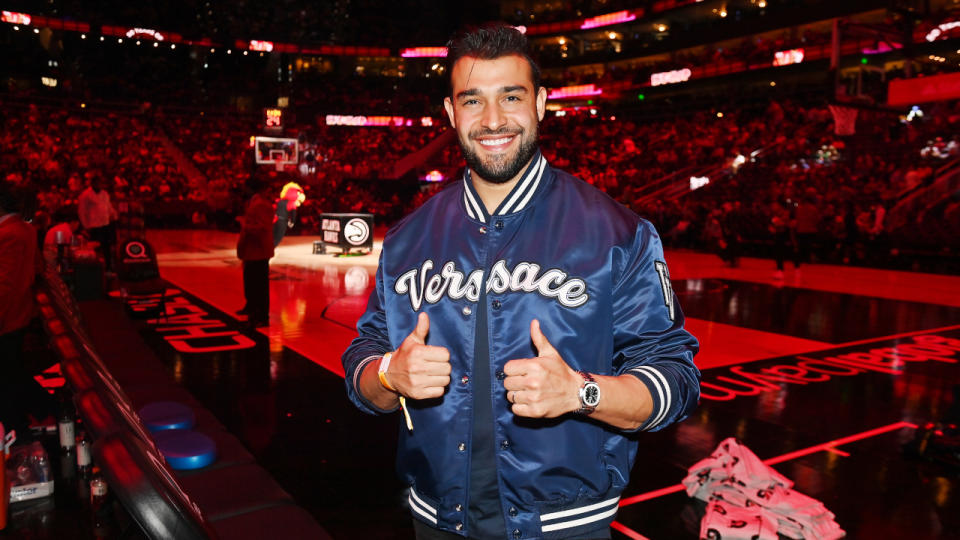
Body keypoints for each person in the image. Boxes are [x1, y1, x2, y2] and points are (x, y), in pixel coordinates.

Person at [341, 24, 700, 540]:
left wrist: (584, 392)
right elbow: (363, 363)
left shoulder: (619, 233)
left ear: (541, 103)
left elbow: (677, 380)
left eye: (510, 96)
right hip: (435, 521)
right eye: (472, 100)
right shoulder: (405, 240)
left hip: (564, 527)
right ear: (450, 114)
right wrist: (387, 374)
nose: (492, 121)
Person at [0, 183, 49, 437]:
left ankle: (18, 431)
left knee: (7, 378)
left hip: (8, 317)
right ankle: (43, 409)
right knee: (11, 371)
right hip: (19, 312)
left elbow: (4, 287)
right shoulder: (25, 229)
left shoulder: (9, 234)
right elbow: (39, 268)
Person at [236, 180, 275, 327]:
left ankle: (260, 316)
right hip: (253, 250)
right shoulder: (256, 202)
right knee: (251, 283)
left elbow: (263, 227)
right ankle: (252, 309)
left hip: (258, 250)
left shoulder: (261, 205)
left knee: (259, 286)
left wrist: (245, 226)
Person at [78, 175, 118, 272]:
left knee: (106, 248)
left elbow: (108, 207)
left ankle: (108, 267)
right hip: (94, 226)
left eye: (101, 183)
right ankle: (95, 269)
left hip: (105, 224)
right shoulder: (86, 195)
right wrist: (85, 226)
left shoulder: (105, 194)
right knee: (95, 249)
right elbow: (81, 211)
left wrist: (114, 215)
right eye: (97, 183)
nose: (100, 185)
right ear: (93, 183)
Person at [273, 181, 305, 247]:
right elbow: (293, 214)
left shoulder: (280, 201)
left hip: (275, 220)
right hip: (282, 221)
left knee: (273, 236)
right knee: (278, 237)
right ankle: (272, 249)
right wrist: (292, 222)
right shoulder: (291, 203)